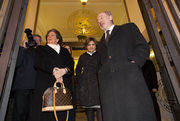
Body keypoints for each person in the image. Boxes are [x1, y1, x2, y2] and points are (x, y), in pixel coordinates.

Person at [97, 11, 157, 121]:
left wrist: (134, 62)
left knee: (135, 113)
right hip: (109, 89)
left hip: (129, 81)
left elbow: (143, 46)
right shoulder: (100, 44)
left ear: (110, 17)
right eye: (97, 20)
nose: (99, 21)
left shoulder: (128, 28)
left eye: (101, 17)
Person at [28, 29, 74, 121]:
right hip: (45, 83)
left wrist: (64, 70)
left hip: (63, 83)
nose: (49, 36)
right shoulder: (41, 49)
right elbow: (38, 62)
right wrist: (54, 70)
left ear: (57, 39)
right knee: (46, 113)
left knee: (63, 111)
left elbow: (70, 64)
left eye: (52, 35)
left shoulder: (65, 51)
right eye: (48, 35)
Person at [12, 34, 42, 121]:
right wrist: (23, 48)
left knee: (32, 115)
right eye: (34, 39)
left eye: (38, 40)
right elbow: (16, 64)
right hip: (22, 87)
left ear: (40, 43)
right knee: (19, 113)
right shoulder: (23, 50)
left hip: (36, 89)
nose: (35, 41)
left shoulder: (41, 53)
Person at [76, 37, 102, 121]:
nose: (91, 46)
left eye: (93, 44)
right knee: (89, 109)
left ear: (95, 46)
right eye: (89, 45)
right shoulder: (82, 57)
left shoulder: (100, 55)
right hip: (86, 86)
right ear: (86, 46)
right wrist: (81, 81)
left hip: (98, 85)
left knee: (100, 109)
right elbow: (78, 69)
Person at [64, 44, 76, 121]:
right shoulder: (59, 58)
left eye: (69, 49)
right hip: (62, 85)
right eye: (65, 49)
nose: (67, 50)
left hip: (71, 85)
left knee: (72, 106)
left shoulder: (71, 60)